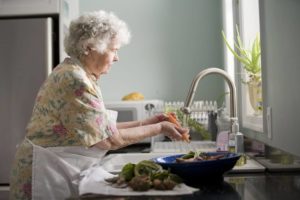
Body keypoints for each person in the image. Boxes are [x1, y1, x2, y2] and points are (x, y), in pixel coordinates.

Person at [9, 10, 188, 200]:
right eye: (114, 50)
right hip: (44, 174)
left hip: (55, 168)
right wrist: (160, 127)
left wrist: (148, 122)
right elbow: (109, 139)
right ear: (90, 47)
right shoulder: (74, 79)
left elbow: (100, 129)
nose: (117, 57)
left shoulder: (79, 74)